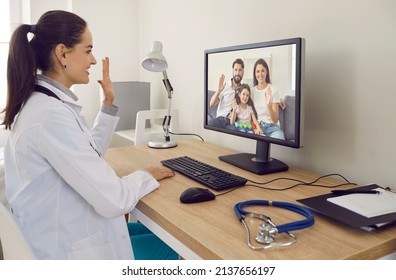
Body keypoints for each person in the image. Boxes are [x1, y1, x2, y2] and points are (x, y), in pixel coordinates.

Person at [2, 10, 178, 260]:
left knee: (151, 233)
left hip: (65, 231)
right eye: (88, 50)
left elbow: (87, 153)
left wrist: (107, 105)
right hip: (70, 250)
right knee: (172, 246)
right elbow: (115, 199)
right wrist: (145, 175)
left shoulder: (44, 105)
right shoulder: (49, 116)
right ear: (62, 53)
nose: (93, 60)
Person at [251, 58, 285, 139]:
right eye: (257, 71)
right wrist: (256, 127)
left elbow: (275, 119)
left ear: (266, 72)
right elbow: (251, 115)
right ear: (255, 74)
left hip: (272, 127)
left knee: (279, 139)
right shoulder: (251, 91)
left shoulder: (273, 90)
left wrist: (269, 106)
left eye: (263, 71)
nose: (260, 74)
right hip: (258, 126)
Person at [208, 58, 244, 130]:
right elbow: (211, 104)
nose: (237, 73)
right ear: (232, 71)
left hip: (232, 123)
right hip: (220, 120)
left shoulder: (243, 91)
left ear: (243, 72)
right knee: (210, 124)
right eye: (235, 70)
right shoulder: (225, 86)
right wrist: (218, 90)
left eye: (240, 70)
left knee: (237, 132)